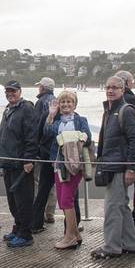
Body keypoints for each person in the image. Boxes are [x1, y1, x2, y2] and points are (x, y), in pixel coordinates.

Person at [91, 76, 135, 259]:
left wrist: (130, 169)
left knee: (112, 207)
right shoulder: (110, 110)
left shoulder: (125, 111)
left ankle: (111, 247)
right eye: (108, 87)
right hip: (111, 165)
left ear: (123, 90)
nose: (111, 90)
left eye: (115, 88)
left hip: (119, 167)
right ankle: (130, 243)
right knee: (121, 206)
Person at [44, 91, 91, 249]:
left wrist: (71, 138)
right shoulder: (57, 121)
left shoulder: (80, 120)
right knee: (63, 202)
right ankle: (75, 233)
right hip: (58, 164)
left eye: (69, 102)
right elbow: (47, 133)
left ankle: (69, 236)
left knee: (66, 200)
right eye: (62, 102)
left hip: (74, 164)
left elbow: (87, 137)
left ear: (74, 104)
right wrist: (50, 116)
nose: (65, 105)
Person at [0, 81, 38, 248]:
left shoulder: (26, 108)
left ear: (20, 91)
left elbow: (31, 135)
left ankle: (26, 234)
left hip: (21, 164)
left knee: (23, 200)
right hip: (8, 162)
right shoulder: (8, 109)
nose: (10, 94)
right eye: (7, 91)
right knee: (13, 200)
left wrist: (29, 159)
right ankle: (18, 227)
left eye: (13, 91)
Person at [115, 70, 135, 230]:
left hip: (123, 155)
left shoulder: (124, 103)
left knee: (122, 197)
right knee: (130, 193)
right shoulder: (131, 102)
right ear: (127, 82)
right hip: (129, 155)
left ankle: (132, 223)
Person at [32, 76, 58, 232]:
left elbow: (37, 125)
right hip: (54, 149)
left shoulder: (40, 102)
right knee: (52, 183)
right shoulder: (56, 100)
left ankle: (38, 214)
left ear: (42, 88)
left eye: (39, 86)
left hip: (43, 149)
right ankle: (50, 212)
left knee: (38, 182)